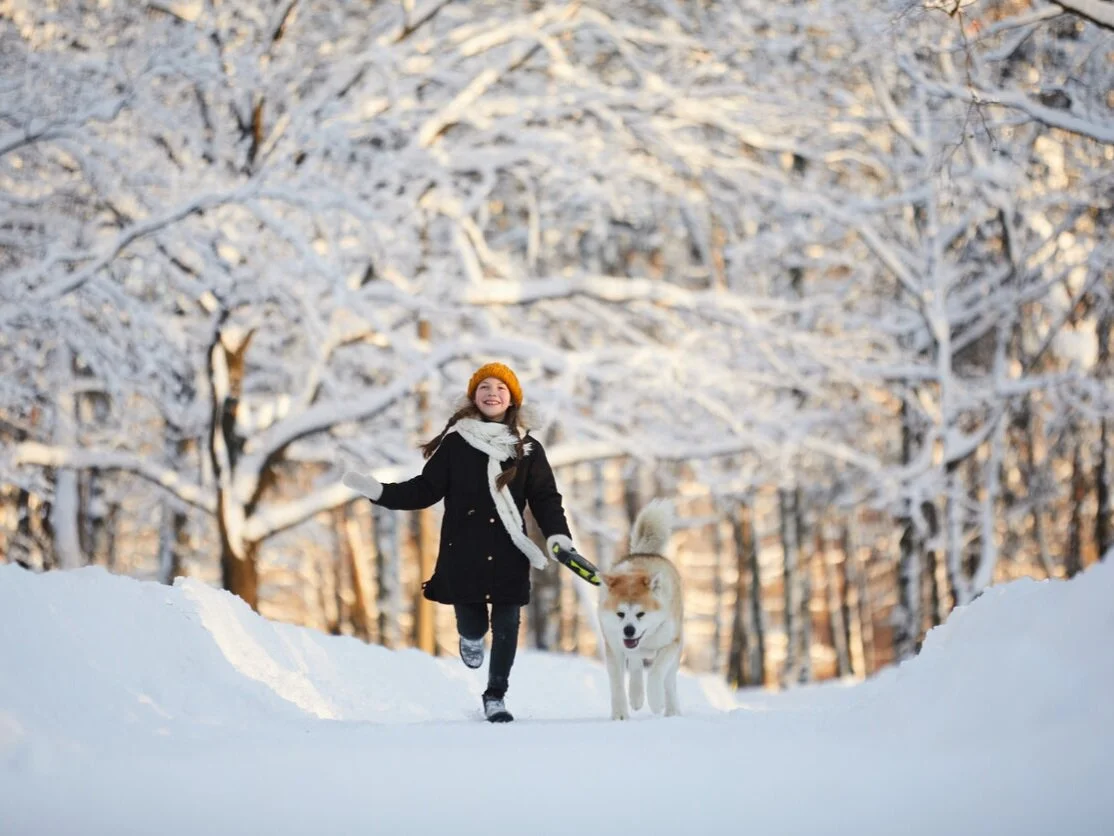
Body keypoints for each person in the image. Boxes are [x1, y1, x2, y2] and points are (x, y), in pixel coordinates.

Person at [342, 362, 576, 723]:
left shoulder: (527, 448)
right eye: (484, 387)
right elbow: (425, 489)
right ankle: (470, 636)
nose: (492, 393)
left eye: (500, 387)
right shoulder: (456, 443)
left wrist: (558, 535)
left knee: (508, 622)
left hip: (509, 547)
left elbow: (545, 498)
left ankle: (495, 694)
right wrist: (380, 492)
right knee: (472, 623)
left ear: (512, 398)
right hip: (462, 548)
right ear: (473, 397)